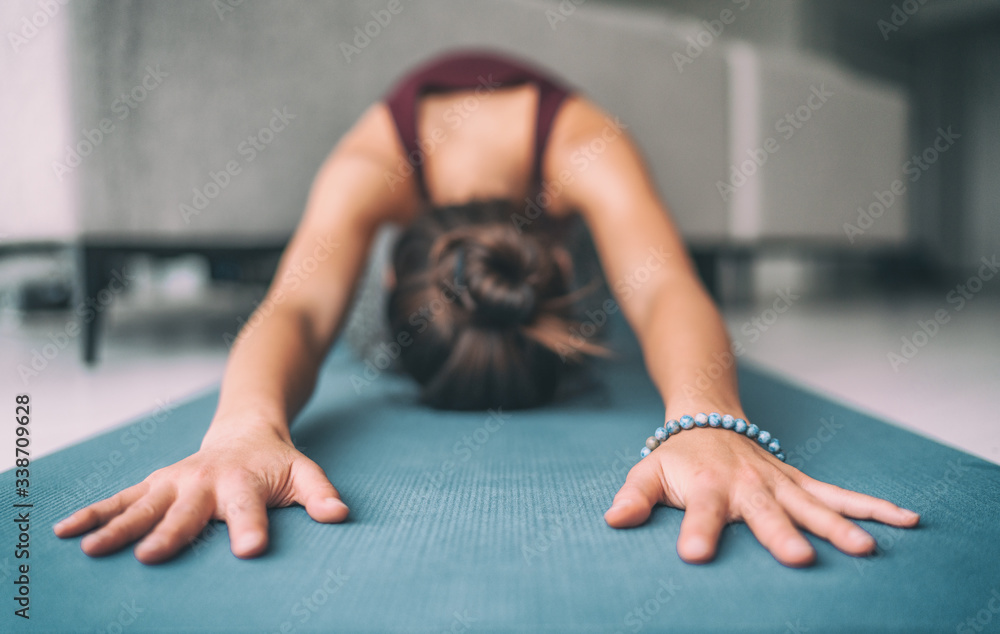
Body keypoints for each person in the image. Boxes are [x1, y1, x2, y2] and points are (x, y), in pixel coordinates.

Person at [53, 50, 919, 567]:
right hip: (442, 234)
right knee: (342, 306)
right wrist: (243, 428)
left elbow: (662, 288)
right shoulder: (369, 170)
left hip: (546, 224)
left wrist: (711, 416)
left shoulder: (585, 149)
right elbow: (299, 310)